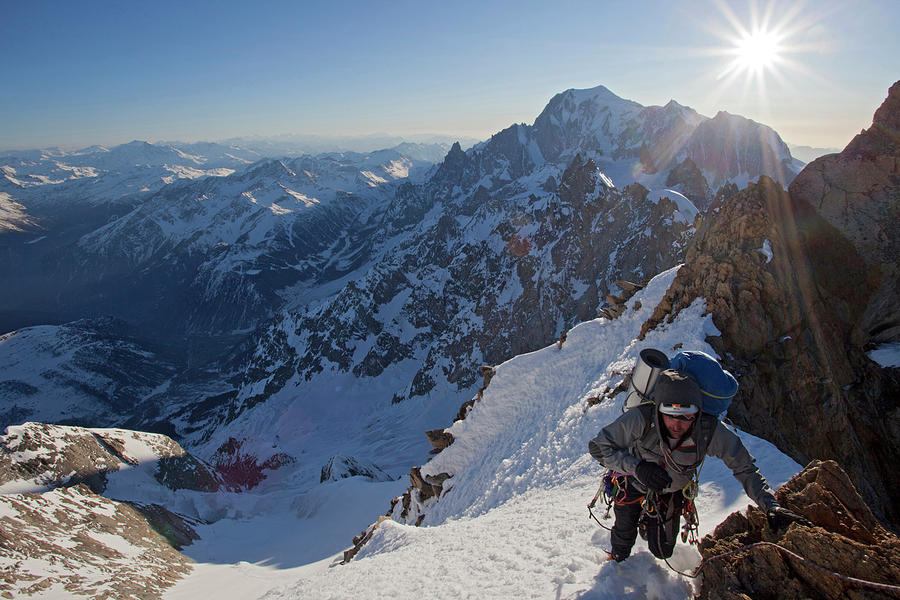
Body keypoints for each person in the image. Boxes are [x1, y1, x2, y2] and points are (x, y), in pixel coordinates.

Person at [588, 369, 809, 562]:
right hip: (633, 484)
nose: (677, 424)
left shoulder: (707, 431)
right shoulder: (643, 419)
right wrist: (637, 468)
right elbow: (599, 447)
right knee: (623, 533)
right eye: (670, 415)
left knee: (662, 550)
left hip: (671, 493)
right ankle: (617, 561)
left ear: (697, 413)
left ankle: (648, 523)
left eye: (686, 416)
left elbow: (744, 467)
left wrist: (771, 505)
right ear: (659, 410)